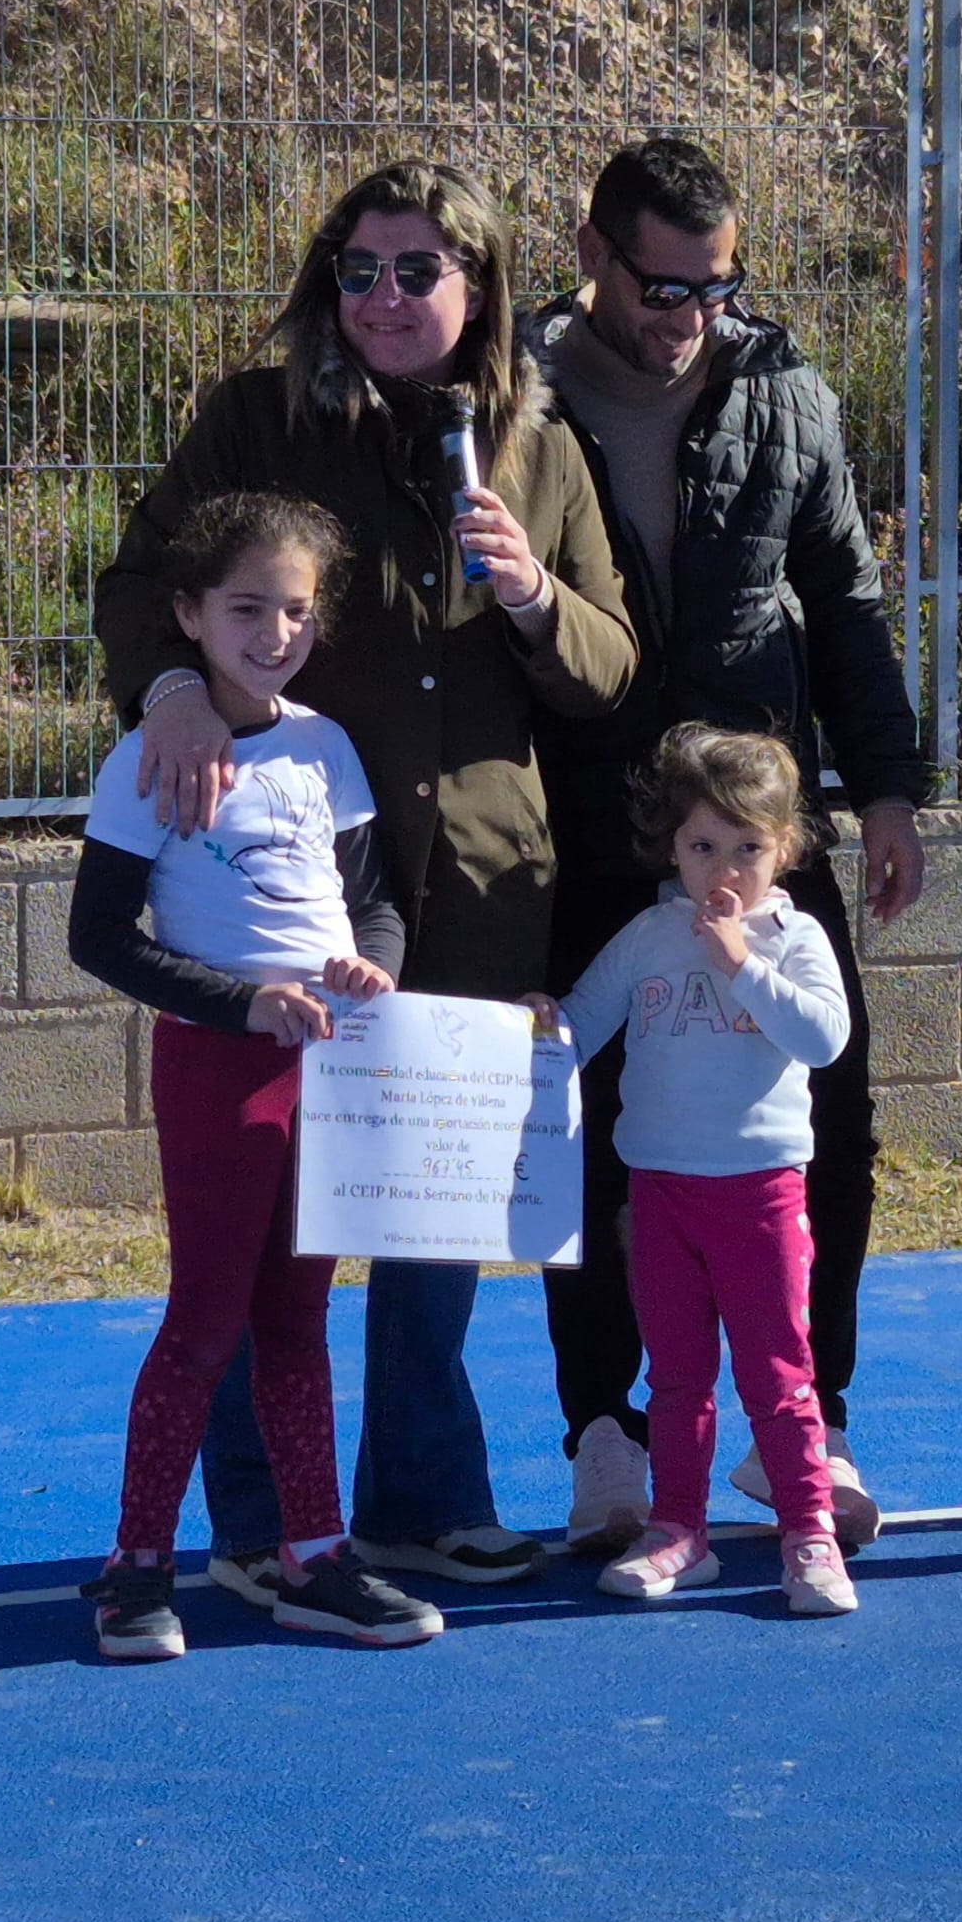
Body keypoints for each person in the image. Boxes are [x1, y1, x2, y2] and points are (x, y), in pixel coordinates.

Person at [93, 162, 638, 1603]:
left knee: (430, 1208)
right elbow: (137, 583)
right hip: (285, 892)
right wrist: (169, 691)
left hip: (470, 877)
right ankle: (262, 1525)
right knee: (263, 1225)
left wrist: (531, 593)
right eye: (358, 269)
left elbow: (607, 668)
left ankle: (420, 1498)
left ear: (480, 288)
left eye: (417, 271)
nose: (385, 299)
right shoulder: (255, 419)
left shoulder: (536, 439)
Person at [529, 136, 931, 1558]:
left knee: (831, 1123)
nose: (688, 311)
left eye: (714, 283)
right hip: (583, 828)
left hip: (765, 827)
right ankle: (605, 1436)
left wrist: (884, 788)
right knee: (584, 1128)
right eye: (659, 284)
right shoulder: (514, 399)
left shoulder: (784, 392)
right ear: (591, 252)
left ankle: (801, 1425)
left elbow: (851, 603)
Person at [68, 491, 444, 1660]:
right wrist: (242, 1000)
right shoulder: (151, 757)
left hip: (330, 1069)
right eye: (245, 607)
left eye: (293, 609)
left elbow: (374, 900)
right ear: (186, 614)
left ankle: (315, 1554)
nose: (273, 631)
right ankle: (138, 1567)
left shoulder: (327, 747)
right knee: (206, 1317)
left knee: (297, 1318)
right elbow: (101, 936)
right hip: (220, 1066)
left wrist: (367, 968)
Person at [523, 725, 859, 1616]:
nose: (724, 868)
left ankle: (808, 1532)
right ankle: (680, 1530)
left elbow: (824, 1041)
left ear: (784, 847)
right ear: (669, 846)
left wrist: (742, 964)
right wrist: (535, 1019)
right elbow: (581, 1028)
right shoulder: (646, 936)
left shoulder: (797, 940)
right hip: (660, 1194)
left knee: (779, 1374)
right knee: (674, 1379)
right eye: (702, 845)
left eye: (747, 847)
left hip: (761, 1194)